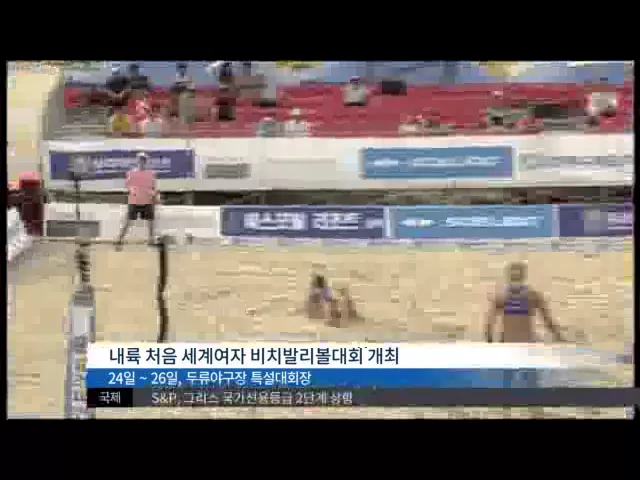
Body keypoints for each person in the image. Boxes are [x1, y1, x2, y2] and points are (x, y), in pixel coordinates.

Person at [485, 262, 565, 410]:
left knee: (507, 381)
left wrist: (490, 342)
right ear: (524, 276)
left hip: (507, 343)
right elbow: (548, 321)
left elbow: (489, 324)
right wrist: (559, 337)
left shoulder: (501, 297)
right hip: (527, 344)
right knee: (531, 383)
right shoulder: (533, 295)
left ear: (508, 276)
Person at [115, 152, 158, 249]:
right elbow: (127, 186)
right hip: (134, 201)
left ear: (146, 162)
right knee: (128, 222)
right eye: (140, 159)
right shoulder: (131, 173)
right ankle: (119, 240)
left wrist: (154, 196)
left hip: (147, 201)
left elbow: (154, 187)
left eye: (144, 160)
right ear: (137, 161)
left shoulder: (151, 174)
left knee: (150, 222)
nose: (142, 161)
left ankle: (151, 240)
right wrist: (132, 190)